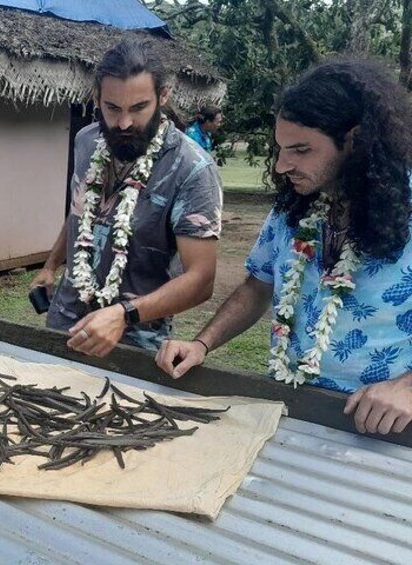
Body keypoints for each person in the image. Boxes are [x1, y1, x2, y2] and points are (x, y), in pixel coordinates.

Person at [156, 58, 412, 436]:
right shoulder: (294, 204)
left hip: (387, 428)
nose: (281, 166)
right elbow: (258, 286)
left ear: (355, 140)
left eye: (301, 150)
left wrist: (407, 388)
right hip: (291, 411)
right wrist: (202, 343)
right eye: (280, 149)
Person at [30, 39, 223, 357]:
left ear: (163, 96)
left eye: (138, 108)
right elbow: (81, 212)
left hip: (135, 340)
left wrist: (124, 314)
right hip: (65, 322)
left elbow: (201, 280)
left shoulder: (192, 170)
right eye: (112, 108)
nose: (123, 123)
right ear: (97, 98)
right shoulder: (86, 141)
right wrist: (51, 266)